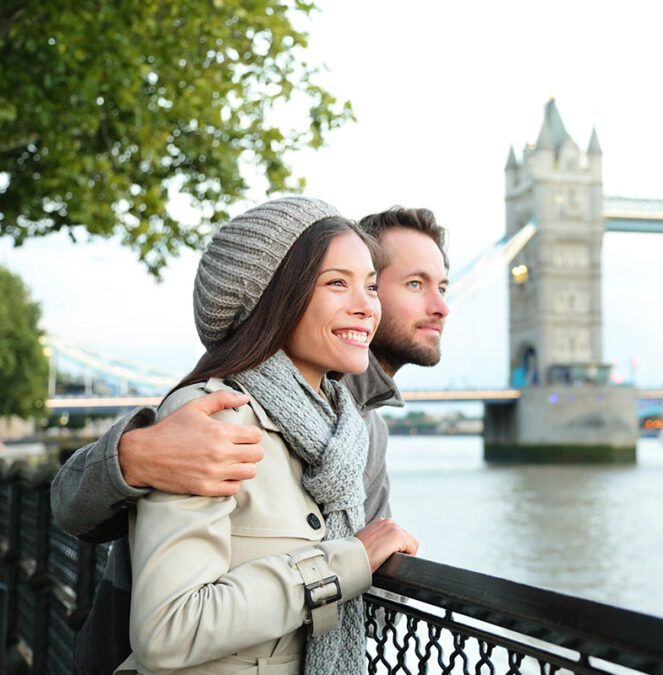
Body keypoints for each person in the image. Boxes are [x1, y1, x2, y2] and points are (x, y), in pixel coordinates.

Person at [51, 204, 451, 673]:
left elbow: (369, 574)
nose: (440, 306)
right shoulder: (222, 411)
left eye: (442, 287)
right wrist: (132, 455)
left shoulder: (358, 428)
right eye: (414, 284)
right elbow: (75, 511)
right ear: (278, 293)